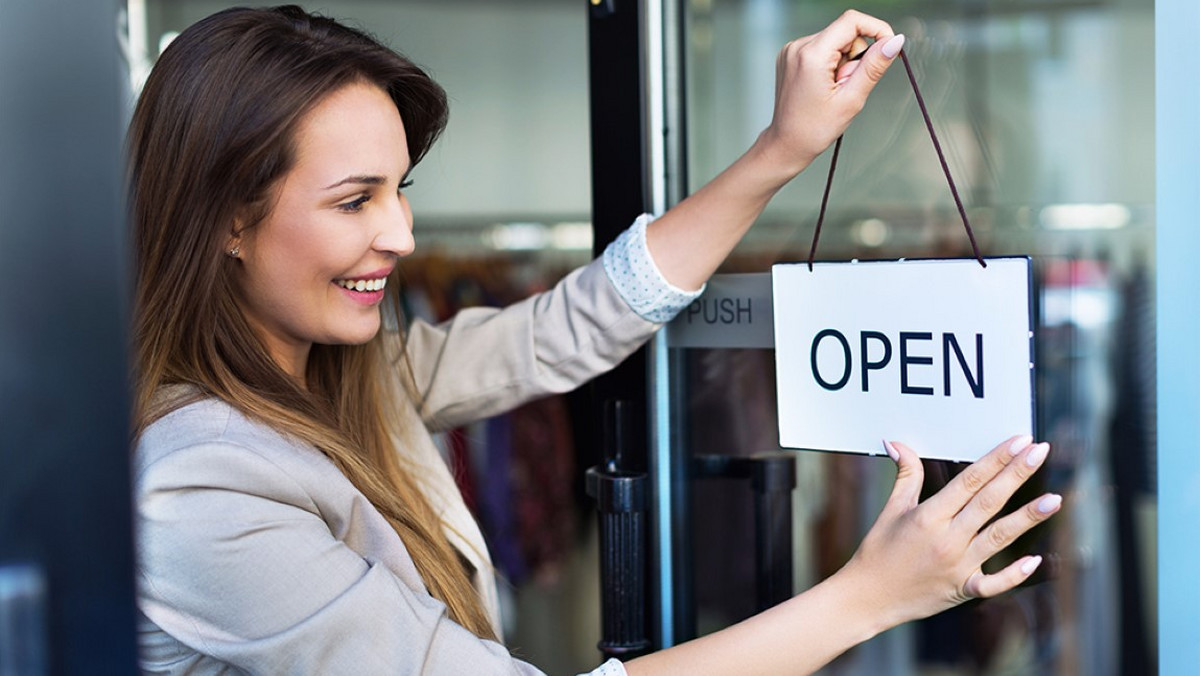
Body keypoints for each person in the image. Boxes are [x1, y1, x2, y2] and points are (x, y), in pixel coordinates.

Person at [129, 5, 1060, 675]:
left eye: (401, 187)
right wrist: (868, 596)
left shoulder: (346, 374)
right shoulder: (195, 490)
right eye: (354, 200)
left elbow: (570, 326)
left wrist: (783, 147)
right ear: (228, 220)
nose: (404, 235)